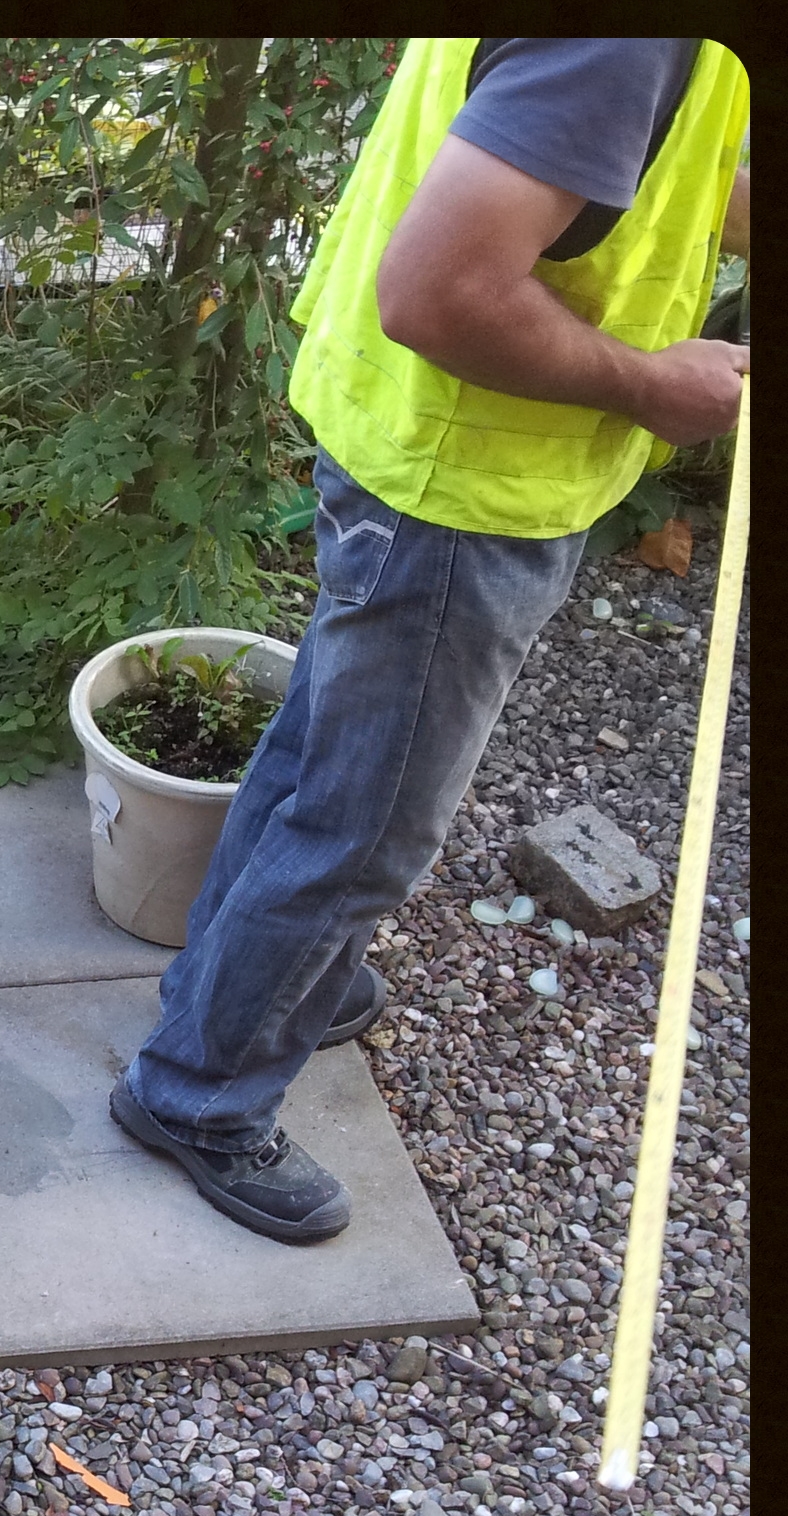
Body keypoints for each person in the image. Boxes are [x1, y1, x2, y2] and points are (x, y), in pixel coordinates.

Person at [110, 38, 750, 1243]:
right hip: (460, 489)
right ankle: (197, 1093)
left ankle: (239, 987)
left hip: (411, 448)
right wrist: (653, 387)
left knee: (321, 757)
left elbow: (625, 161)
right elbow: (441, 291)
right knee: (365, 830)